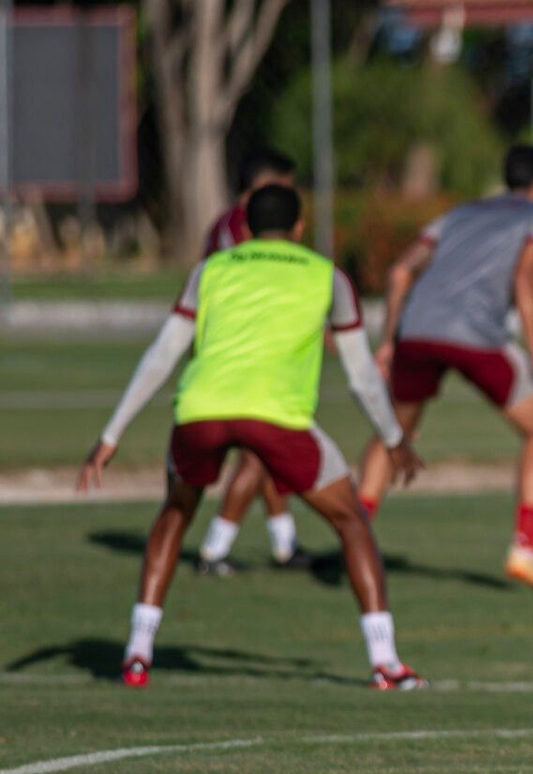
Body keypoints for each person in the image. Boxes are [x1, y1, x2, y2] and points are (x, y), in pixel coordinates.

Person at [78, 185, 426, 689]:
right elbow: (360, 376)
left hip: (201, 412)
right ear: (300, 229)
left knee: (175, 514)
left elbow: (162, 354)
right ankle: (386, 662)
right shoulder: (328, 277)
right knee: (352, 521)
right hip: (277, 419)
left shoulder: (212, 270)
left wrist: (111, 434)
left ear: (242, 228)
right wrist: (393, 439)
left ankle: (137, 653)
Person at [357, 145, 533, 595]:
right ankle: (525, 550)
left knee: (393, 434)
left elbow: (399, 272)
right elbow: (525, 282)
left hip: (418, 331)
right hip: (477, 336)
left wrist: (389, 342)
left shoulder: (456, 215)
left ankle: (355, 537)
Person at [196, 147, 308, 575]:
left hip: (228, 349)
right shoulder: (251, 228)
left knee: (264, 451)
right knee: (258, 454)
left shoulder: (223, 223)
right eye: (285, 185)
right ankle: (214, 550)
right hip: (247, 352)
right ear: (264, 184)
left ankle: (285, 543)